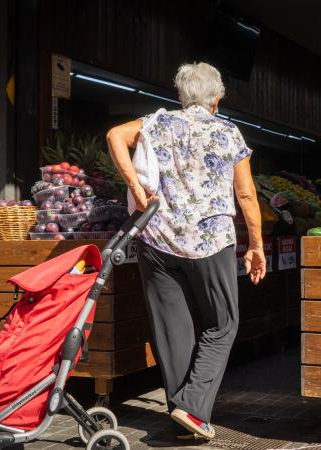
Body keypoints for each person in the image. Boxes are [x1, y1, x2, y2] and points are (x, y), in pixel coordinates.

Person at [106, 62, 266, 441]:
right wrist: (256, 245)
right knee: (222, 323)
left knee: (172, 330)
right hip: (212, 242)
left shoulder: (157, 123)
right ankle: (192, 409)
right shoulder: (227, 131)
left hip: (158, 240)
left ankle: (183, 416)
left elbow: (114, 135)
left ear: (180, 95)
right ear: (217, 99)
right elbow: (245, 194)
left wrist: (136, 186)